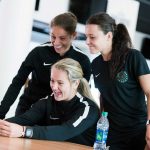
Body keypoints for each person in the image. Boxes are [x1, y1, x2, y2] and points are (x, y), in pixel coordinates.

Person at [0, 12, 91, 119]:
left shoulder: (82, 60)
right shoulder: (38, 52)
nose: (56, 42)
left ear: (73, 36)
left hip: (59, 113)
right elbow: (17, 82)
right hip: (30, 106)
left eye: (62, 38)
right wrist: (1, 113)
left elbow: (83, 94)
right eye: (53, 36)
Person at [85, 12, 150, 150]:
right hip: (111, 133)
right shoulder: (95, 64)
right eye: (86, 37)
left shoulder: (133, 57)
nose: (87, 41)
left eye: (92, 37)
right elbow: (103, 95)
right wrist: (101, 122)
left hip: (137, 131)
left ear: (108, 36)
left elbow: (149, 92)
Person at [0, 58, 99, 146]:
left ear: (75, 83)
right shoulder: (47, 101)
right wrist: (3, 125)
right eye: (52, 80)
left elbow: (64, 131)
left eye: (60, 83)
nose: (54, 87)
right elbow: (23, 119)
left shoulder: (88, 109)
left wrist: (23, 131)